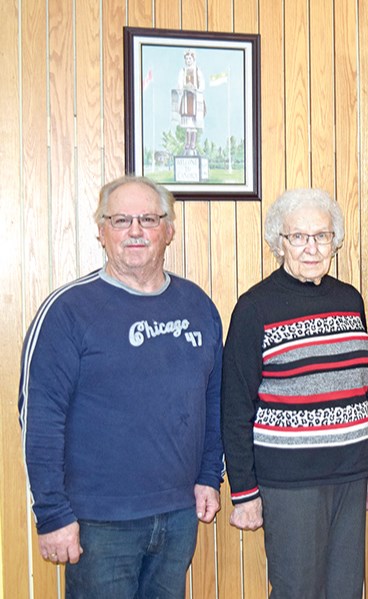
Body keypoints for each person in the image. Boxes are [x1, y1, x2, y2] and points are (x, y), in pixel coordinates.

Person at [18, 175, 224, 597]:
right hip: (98, 523)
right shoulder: (67, 311)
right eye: (121, 219)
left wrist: (208, 475)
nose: (135, 231)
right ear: (100, 230)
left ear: (168, 230)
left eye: (148, 218)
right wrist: (53, 514)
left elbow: (214, 401)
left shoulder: (198, 305)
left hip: (178, 514)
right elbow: (39, 418)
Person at [222, 188, 368, 599]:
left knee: (347, 590)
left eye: (322, 236)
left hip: (349, 474)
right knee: (298, 592)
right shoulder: (255, 308)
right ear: (279, 242)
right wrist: (244, 492)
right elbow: (235, 405)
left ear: (335, 241)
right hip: (290, 482)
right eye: (299, 237)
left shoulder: (350, 300)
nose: (312, 247)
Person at [175, 49, 205, 155]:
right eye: (186, 59)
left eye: (190, 58)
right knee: (188, 123)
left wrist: (196, 88)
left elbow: (202, 85)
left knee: (194, 122)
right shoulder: (182, 71)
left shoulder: (197, 71)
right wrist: (184, 87)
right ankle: (187, 143)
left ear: (193, 59)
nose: (188, 61)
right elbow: (179, 84)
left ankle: (193, 143)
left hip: (195, 99)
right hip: (186, 99)